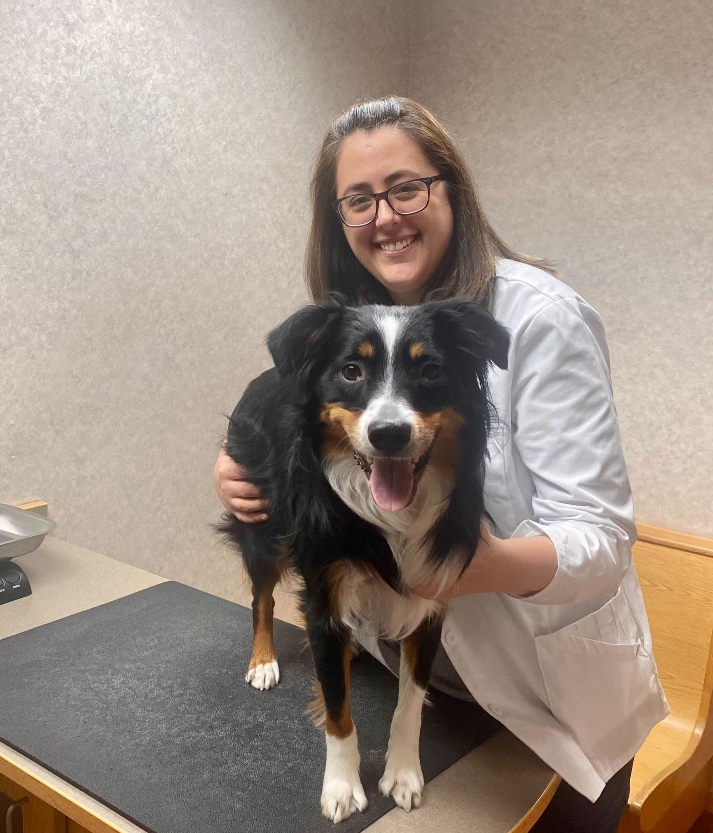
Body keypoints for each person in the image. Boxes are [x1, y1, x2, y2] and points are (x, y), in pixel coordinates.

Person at [214, 96, 668, 833]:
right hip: (415, 679)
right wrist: (234, 460)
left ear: (450, 186)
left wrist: (472, 565)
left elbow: (602, 538)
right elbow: (283, 390)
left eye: (405, 187)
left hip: (546, 704)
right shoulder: (360, 316)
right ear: (338, 221)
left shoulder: (539, 318)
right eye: (358, 200)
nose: (383, 215)